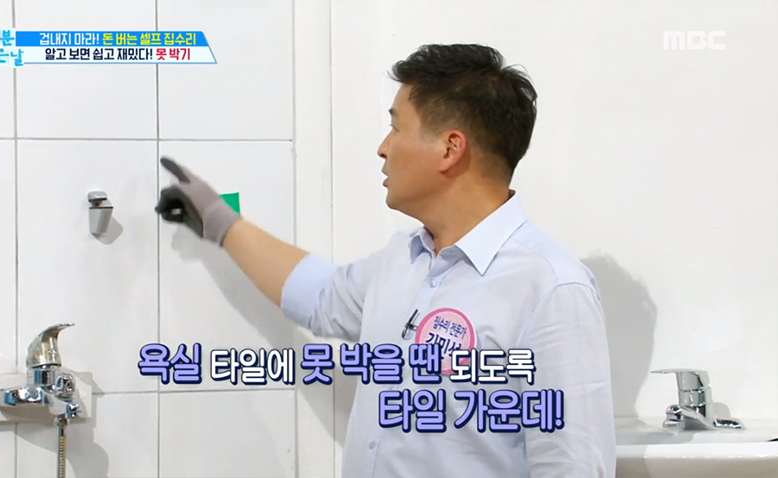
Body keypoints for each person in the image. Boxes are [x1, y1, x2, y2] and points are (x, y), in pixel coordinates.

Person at [155, 43, 616, 477]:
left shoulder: (551, 289)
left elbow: (572, 465)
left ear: (450, 149)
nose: (383, 147)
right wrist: (220, 220)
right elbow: (319, 295)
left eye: (396, 127)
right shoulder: (404, 258)